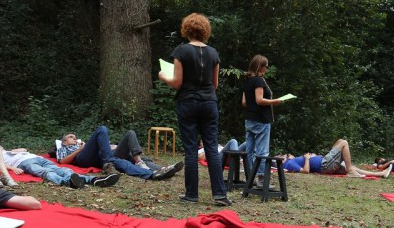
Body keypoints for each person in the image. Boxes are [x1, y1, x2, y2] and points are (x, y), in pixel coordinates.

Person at [157, 13, 232, 205]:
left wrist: (163, 76)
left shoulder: (181, 51)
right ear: (205, 30)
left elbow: (177, 83)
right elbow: (214, 84)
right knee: (212, 149)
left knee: (191, 150)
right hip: (209, 103)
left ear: (186, 29)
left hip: (188, 102)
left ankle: (191, 194)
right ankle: (220, 195)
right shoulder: (214, 53)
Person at [57, 127, 178, 181]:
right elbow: (62, 161)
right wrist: (80, 149)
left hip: (101, 157)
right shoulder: (63, 148)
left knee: (126, 158)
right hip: (82, 158)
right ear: (64, 142)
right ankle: (110, 160)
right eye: (71, 137)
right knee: (102, 129)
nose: (74, 138)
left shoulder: (80, 143)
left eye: (75, 137)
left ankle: (155, 173)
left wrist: (111, 147)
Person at [242, 55, 284, 186]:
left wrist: (252, 108)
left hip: (249, 120)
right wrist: (274, 102)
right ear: (260, 67)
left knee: (249, 150)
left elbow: (244, 102)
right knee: (262, 151)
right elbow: (259, 100)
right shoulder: (259, 81)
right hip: (261, 120)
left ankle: (250, 177)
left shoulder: (247, 80)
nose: (266, 68)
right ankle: (261, 179)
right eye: (265, 66)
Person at [1, 149, 120, 189]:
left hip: (39, 158)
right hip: (23, 163)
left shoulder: (11, 150)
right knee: (45, 172)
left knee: (63, 170)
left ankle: (92, 180)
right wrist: (12, 168)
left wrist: (20, 149)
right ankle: (67, 182)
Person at [281, 139, 374, 177]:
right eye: (286, 155)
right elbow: (305, 171)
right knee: (344, 142)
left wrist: (313, 156)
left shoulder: (292, 161)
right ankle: (350, 171)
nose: (288, 154)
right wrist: (307, 158)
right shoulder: (289, 163)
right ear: (283, 160)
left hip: (325, 162)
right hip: (324, 165)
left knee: (340, 141)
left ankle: (381, 173)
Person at [112, 130, 183, 175]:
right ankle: (138, 161)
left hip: (123, 155)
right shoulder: (101, 134)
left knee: (146, 160)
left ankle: (165, 169)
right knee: (130, 133)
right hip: (113, 155)